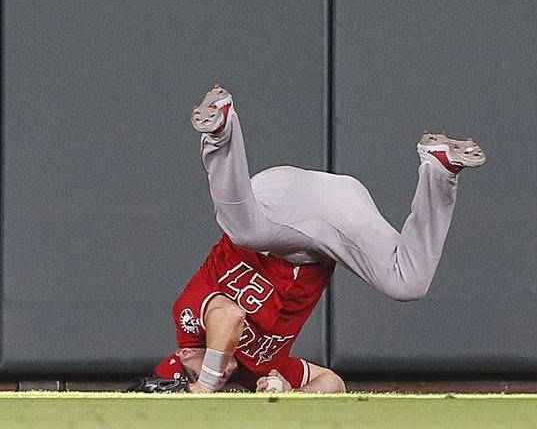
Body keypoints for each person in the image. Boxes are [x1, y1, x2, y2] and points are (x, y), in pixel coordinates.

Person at [126, 85, 485, 393]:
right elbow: (333, 383)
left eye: (189, 374)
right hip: (334, 217)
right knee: (408, 282)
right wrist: (287, 392)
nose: (215, 380)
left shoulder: (187, 321)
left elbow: (229, 317)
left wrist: (203, 384)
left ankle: (221, 132)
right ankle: (439, 169)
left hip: (279, 209)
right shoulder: (254, 373)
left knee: (243, 229)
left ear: (184, 355)